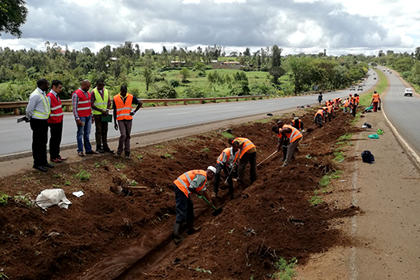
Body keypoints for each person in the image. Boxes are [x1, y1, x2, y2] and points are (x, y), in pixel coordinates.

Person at [173, 167, 216, 244]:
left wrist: (209, 200)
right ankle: (177, 237)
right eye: (213, 175)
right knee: (182, 209)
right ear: (210, 173)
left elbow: (204, 190)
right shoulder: (202, 176)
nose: (213, 178)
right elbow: (192, 187)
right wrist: (197, 193)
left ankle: (190, 229)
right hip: (181, 187)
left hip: (183, 188)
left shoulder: (203, 176)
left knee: (190, 206)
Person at [26, 79, 53, 172]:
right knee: (37, 143)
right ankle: (37, 163)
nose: (48, 86)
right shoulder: (36, 95)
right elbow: (29, 110)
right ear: (42, 85)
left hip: (43, 121)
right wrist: (29, 118)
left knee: (43, 142)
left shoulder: (43, 94)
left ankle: (44, 161)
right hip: (37, 122)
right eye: (47, 84)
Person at [113, 85, 142, 159]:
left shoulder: (131, 97)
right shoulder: (116, 98)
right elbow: (114, 110)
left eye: (124, 92)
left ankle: (127, 153)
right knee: (123, 135)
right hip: (120, 119)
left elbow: (139, 103)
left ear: (126, 91)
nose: (123, 93)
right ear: (120, 91)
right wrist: (115, 122)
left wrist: (134, 112)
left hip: (128, 119)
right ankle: (119, 151)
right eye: (122, 92)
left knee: (128, 136)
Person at [72, 80, 98, 157]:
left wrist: (92, 116)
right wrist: (77, 118)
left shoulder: (88, 94)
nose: (88, 88)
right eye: (87, 87)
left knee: (87, 133)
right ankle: (80, 150)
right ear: (83, 85)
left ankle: (88, 149)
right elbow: (74, 108)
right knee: (80, 133)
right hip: (81, 117)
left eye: (89, 87)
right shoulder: (76, 94)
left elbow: (89, 106)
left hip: (88, 116)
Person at [91, 79, 113, 153]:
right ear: (97, 84)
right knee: (98, 131)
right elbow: (92, 104)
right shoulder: (93, 92)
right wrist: (101, 111)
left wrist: (107, 109)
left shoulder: (106, 91)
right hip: (97, 114)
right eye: (100, 85)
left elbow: (109, 102)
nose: (101, 86)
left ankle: (105, 146)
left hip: (105, 114)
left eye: (102, 85)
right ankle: (98, 147)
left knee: (105, 130)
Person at [47, 80, 66, 163]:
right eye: (59, 87)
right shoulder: (49, 96)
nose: (60, 89)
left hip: (59, 120)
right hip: (53, 121)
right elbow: (47, 110)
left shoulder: (56, 95)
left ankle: (57, 154)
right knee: (54, 139)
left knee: (58, 138)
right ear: (54, 87)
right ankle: (53, 156)